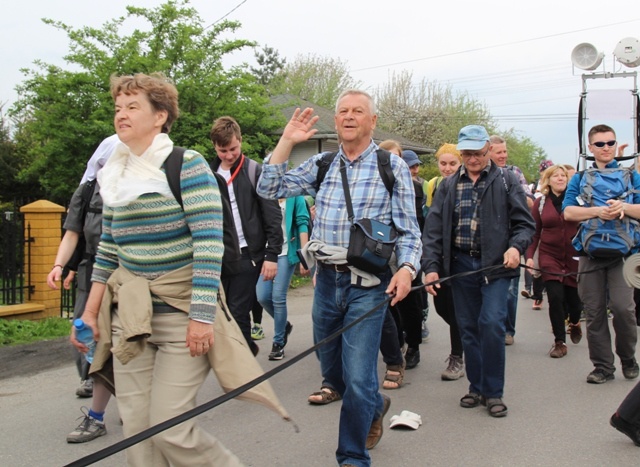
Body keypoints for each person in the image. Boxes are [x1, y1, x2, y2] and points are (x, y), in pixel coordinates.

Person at [75, 72, 241, 465]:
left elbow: (208, 243)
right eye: (118, 107)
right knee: (137, 432)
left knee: (169, 428)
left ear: (160, 116)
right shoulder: (115, 172)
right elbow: (109, 250)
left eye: (133, 107)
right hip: (131, 318)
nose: (122, 115)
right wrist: (90, 313)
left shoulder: (187, 165)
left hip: (182, 317)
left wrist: (201, 317)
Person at [257, 90, 422, 467]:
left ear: (372, 121)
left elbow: (409, 231)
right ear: (337, 121)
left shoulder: (389, 166)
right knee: (336, 372)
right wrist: (286, 141)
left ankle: (352, 456)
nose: (348, 117)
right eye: (343, 111)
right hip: (326, 283)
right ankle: (374, 405)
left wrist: (407, 269)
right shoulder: (322, 163)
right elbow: (269, 188)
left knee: (361, 373)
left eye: (357, 111)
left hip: (368, 284)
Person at [422, 124, 535, 418]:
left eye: (478, 153)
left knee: (492, 323)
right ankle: (476, 386)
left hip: (496, 266)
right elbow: (433, 231)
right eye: (468, 154)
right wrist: (432, 268)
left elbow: (525, 224)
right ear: (461, 153)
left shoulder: (507, 180)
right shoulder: (447, 186)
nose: (473, 159)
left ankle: (494, 392)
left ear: (488, 150)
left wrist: (516, 248)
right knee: (468, 328)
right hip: (461, 267)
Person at [47, 135, 118, 443]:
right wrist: (59, 265)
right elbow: (72, 233)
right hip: (93, 270)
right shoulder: (87, 191)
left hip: (128, 273)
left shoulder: (139, 184)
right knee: (85, 331)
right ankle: (91, 379)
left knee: (123, 339)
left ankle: (104, 410)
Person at [563, 124, 640, 384]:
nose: (606, 148)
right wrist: (597, 211)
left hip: (624, 256)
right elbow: (569, 212)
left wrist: (624, 207)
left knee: (623, 309)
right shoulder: (580, 178)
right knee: (594, 313)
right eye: (600, 144)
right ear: (590, 147)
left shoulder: (631, 177)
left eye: (610, 143)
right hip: (590, 254)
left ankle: (628, 358)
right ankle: (603, 367)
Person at [209, 116, 283, 356]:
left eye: (233, 149)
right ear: (215, 147)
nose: (229, 155)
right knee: (224, 313)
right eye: (223, 151)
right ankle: (246, 351)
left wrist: (271, 254)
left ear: (240, 141)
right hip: (219, 255)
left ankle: (243, 366)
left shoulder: (254, 171)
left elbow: (272, 215)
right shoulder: (208, 174)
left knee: (238, 311)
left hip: (247, 255)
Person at [525, 165, 582, 358]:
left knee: (574, 302)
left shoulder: (577, 201)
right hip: (550, 256)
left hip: (574, 256)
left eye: (563, 176)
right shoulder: (540, 203)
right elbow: (534, 233)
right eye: (555, 176)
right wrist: (530, 257)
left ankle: (574, 322)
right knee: (556, 298)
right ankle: (559, 342)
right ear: (548, 181)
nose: (560, 178)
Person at [425, 143, 465, 380]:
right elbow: (433, 221)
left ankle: (457, 357)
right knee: (442, 307)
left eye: (452, 163)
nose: (447, 168)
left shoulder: (466, 184)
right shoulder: (434, 185)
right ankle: (469, 332)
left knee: (457, 308)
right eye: (443, 163)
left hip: (461, 255)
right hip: (439, 253)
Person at [488, 135, 534, 345]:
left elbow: (530, 204)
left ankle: (508, 330)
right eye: (499, 152)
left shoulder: (513, 174)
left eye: (505, 151)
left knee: (510, 290)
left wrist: (512, 191)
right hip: (489, 242)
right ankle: (492, 327)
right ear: (488, 152)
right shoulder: (480, 174)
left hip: (511, 239)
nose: (503, 155)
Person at [256, 193, 310, 360]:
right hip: (266, 253)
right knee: (262, 296)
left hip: (287, 252)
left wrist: (304, 257)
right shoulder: (263, 193)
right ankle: (284, 325)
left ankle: (278, 343)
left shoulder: (295, 196)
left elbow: (302, 224)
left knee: (278, 296)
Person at [396, 149, 428, 369]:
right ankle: (396, 345)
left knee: (410, 302)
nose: (413, 170)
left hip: (410, 250)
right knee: (390, 304)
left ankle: (413, 346)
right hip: (383, 251)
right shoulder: (379, 185)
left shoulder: (417, 189)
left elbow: (421, 223)